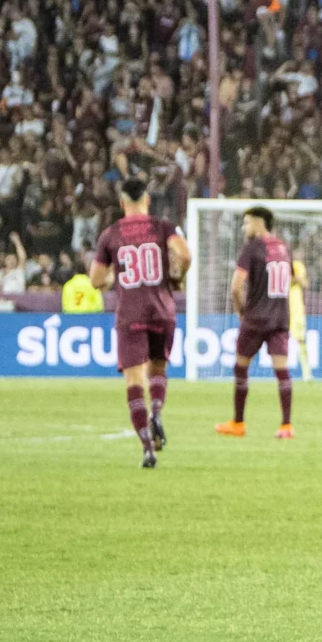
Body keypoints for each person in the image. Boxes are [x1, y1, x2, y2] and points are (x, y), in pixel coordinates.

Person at [91, 178, 189, 470]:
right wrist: (176, 276)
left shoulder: (111, 234)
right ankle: (156, 412)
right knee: (159, 368)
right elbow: (184, 253)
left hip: (130, 314)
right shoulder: (163, 226)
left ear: (122, 203)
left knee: (134, 381)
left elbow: (96, 279)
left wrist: (114, 277)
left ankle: (147, 449)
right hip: (162, 309)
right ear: (147, 200)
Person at [216, 206, 302, 439]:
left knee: (241, 368)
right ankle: (286, 426)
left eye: (247, 223)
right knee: (282, 371)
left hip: (255, 318)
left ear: (259, 222)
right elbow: (294, 279)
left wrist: (241, 311)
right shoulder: (284, 247)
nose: (244, 228)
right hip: (280, 318)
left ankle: (238, 423)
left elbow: (236, 286)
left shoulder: (252, 249)